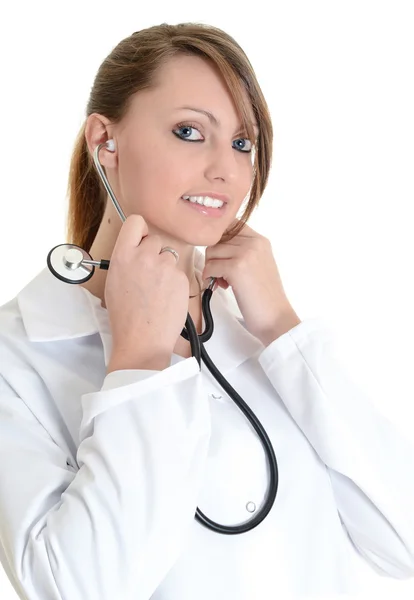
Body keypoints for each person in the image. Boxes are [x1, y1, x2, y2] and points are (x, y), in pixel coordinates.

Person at [0, 21, 413, 600]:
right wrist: (139, 361)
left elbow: (403, 544)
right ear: (104, 140)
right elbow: (80, 590)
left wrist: (281, 330)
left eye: (243, 143)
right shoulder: (17, 353)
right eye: (190, 131)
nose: (225, 168)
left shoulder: (259, 334)